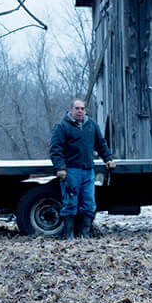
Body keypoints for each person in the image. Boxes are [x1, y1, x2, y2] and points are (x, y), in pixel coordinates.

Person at [48, 98, 112, 238]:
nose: (80, 111)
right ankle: (69, 235)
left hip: (88, 171)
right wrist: (60, 167)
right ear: (71, 110)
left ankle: (85, 234)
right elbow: (55, 149)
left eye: (82, 108)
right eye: (77, 108)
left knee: (89, 202)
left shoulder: (91, 125)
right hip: (71, 171)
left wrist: (108, 159)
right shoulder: (62, 126)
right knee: (70, 203)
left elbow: (101, 144)